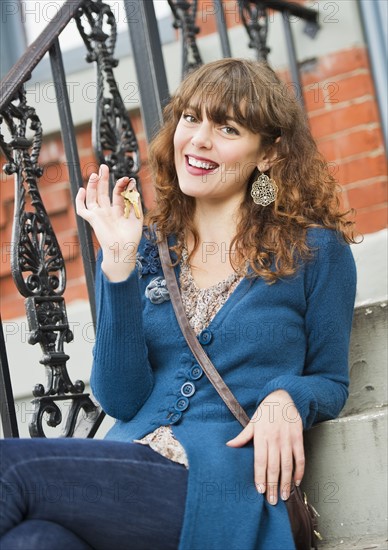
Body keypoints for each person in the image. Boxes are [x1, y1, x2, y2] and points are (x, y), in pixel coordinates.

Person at [0, 58, 357, 550]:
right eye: (191, 118)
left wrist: (285, 397)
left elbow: (331, 379)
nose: (200, 140)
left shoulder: (316, 253)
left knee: (8, 470)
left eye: (227, 127)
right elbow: (120, 399)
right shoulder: (145, 247)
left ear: (269, 154)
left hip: (215, 486)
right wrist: (119, 266)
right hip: (128, 466)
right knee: (33, 541)